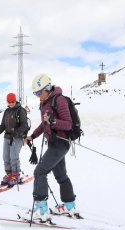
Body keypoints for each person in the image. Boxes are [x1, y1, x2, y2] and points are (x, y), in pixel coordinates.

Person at [24, 74, 79, 222]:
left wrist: (53, 121)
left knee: (40, 172)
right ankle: (69, 206)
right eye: (35, 93)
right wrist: (33, 136)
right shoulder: (46, 102)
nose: (37, 96)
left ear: (48, 88)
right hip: (54, 143)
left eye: (39, 92)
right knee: (61, 175)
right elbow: (44, 124)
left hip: (60, 143)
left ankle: (41, 211)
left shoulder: (59, 100)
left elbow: (67, 124)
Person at [0, 92, 28, 187]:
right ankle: (9, 174)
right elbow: (3, 125)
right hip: (7, 137)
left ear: (15, 100)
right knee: (6, 157)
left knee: (13, 157)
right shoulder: (7, 111)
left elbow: (25, 125)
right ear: (7, 102)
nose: (11, 103)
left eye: (12, 101)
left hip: (17, 138)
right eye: (9, 101)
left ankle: (16, 175)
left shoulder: (21, 110)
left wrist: (16, 133)